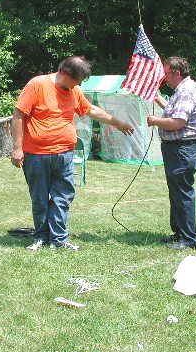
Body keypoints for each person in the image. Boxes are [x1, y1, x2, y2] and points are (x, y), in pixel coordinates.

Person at [12, 56, 135, 251]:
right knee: (40, 198)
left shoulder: (74, 90)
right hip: (36, 154)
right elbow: (19, 115)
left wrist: (117, 122)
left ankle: (59, 240)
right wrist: (18, 148)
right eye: (76, 80)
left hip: (65, 154)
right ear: (64, 73)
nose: (78, 85)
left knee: (63, 197)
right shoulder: (37, 85)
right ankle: (41, 237)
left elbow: (90, 110)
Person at [146, 57, 196, 250]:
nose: (164, 78)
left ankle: (189, 239)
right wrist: (158, 99)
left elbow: (179, 122)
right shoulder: (183, 90)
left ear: (176, 73)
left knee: (182, 193)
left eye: (166, 74)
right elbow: (175, 113)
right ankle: (180, 234)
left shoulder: (186, 91)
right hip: (179, 149)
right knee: (177, 193)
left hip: (182, 149)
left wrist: (155, 121)